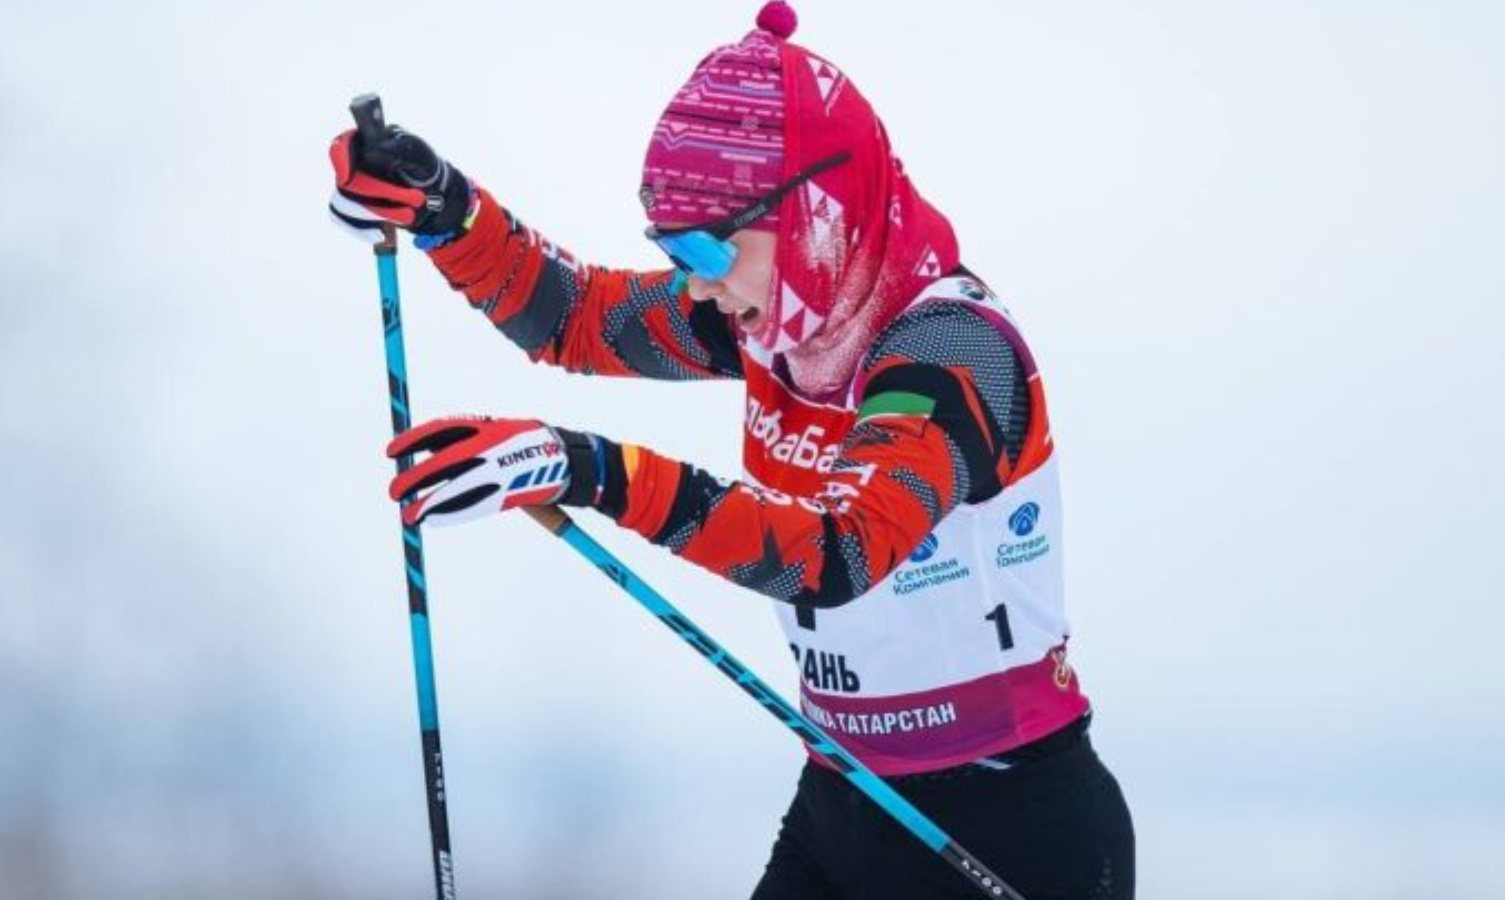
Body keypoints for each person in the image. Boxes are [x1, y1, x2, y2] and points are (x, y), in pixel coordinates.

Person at [328, 3, 1134, 897]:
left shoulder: (950, 351)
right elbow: (576, 318)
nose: (698, 285)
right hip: (845, 797)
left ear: (815, 215)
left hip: (1004, 823)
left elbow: (838, 551)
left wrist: (589, 469)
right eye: (673, 252)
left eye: (708, 250)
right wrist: (446, 209)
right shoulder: (778, 323)